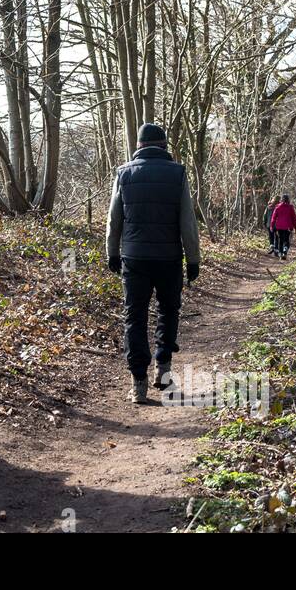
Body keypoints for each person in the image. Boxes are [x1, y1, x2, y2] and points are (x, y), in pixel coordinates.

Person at [105, 123, 201, 404]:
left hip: (134, 258)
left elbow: (114, 219)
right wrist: (193, 258)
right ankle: (163, 367)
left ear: (139, 145)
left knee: (134, 317)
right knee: (168, 310)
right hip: (169, 257)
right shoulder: (178, 173)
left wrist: (112, 252)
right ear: (163, 145)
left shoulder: (124, 173)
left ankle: (138, 383)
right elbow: (187, 221)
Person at [269, 194, 296, 260]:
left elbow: (273, 218)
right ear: (288, 200)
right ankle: (285, 252)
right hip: (288, 226)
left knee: (280, 240)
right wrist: (295, 227)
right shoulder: (290, 207)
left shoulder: (278, 207)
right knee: (286, 240)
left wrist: (272, 226)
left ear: (281, 199)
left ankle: (280, 253)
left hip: (279, 226)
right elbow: (294, 218)